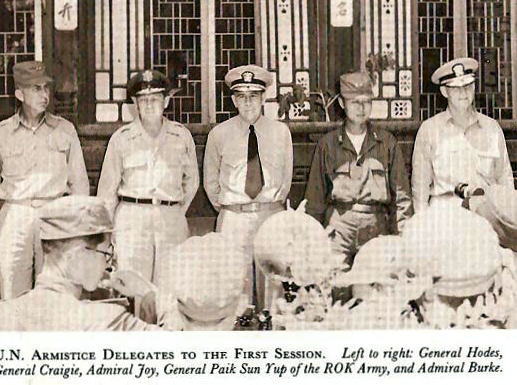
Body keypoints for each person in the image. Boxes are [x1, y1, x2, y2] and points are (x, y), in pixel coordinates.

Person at [0, 61, 89, 300]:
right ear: (19, 93)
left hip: (55, 216)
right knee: (13, 298)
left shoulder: (65, 130)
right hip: (15, 217)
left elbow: (79, 187)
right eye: (36, 88)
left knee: (56, 297)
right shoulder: (0, 134)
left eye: (46, 88)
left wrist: (80, 234)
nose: (44, 94)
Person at [0, 196, 159, 331]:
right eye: (106, 254)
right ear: (78, 256)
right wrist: (149, 295)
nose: (108, 265)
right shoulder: (108, 320)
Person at [203, 65, 293, 311]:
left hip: (270, 215)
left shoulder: (280, 132)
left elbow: (286, 179)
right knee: (234, 285)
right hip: (234, 217)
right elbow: (210, 183)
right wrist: (233, 208)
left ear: (264, 98)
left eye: (254, 96)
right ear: (233, 100)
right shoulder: (219, 134)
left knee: (273, 289)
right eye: (241, 96)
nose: (248, 102)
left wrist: (268, 207)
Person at [97, 69, 199, 285]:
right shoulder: (122, 139)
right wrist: (107, 235)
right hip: (132, 220)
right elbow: (107, 192)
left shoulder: (181, 136)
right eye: (143, 100)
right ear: (136, 104)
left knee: (172, 285)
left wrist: (172, 210)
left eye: (155, 99)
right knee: (134, 286)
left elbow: (191, 182)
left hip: (170, 217)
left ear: (166, 101)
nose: (150, 105)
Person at [305, 72, 412, 269]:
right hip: (338, 227)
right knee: (335, 289)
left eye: (366, 102)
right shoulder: (328, 145)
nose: (361, 108)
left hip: (376, 227)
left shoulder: (386, 142)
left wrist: (403, 238)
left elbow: (402, 197)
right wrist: (313, 241)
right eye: (355, 102)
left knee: (376, 290)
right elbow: (315, 199)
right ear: (342, 104)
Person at [412, 57, 514, 212]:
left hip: (485, 217)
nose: (463, 93)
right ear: (444, 91)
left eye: (468, 86)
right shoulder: (429, 131)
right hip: (445, 218)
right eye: (456, 88)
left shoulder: (491, 129)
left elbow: (504, 181)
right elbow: (420, 190)